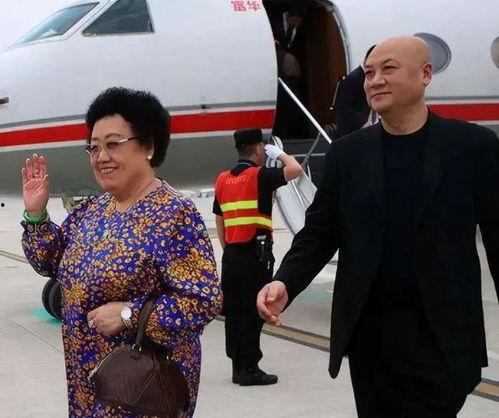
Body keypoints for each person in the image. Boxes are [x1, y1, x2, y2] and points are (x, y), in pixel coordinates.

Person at [257, 36, 499, 417]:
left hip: (444, 338)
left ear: (425, 74)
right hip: (370, 342)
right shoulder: (348, 154)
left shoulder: (472, 147)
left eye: (388, 69)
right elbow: (320, 232)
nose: (375, 81)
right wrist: (285, 281)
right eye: (369, 73)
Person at [21, 87, 222, 417]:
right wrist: (36, 215)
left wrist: (131, 314)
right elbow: (50, 262)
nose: (101, 157)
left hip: (141, 392)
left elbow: (203, 301)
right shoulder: (93, 211)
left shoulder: (173, 214)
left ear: (148, 146)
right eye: (94, 147)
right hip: (88, 385)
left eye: (113, 144)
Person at [213, 128, 303, 386]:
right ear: (258, 149)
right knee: (254, 309)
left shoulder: (222, 179)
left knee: (234, 311)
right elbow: (295, 169)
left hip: (232, 254)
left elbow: (220, 220)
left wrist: (229, 249)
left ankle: (237, 366)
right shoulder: (260, 175)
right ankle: (249, 369)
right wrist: (280, 154)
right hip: (255, 254)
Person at [334, 45, 376, 139]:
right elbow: (345, 108)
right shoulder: (352, 79)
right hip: (353, 131)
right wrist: (362, 124)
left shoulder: (362, 76)